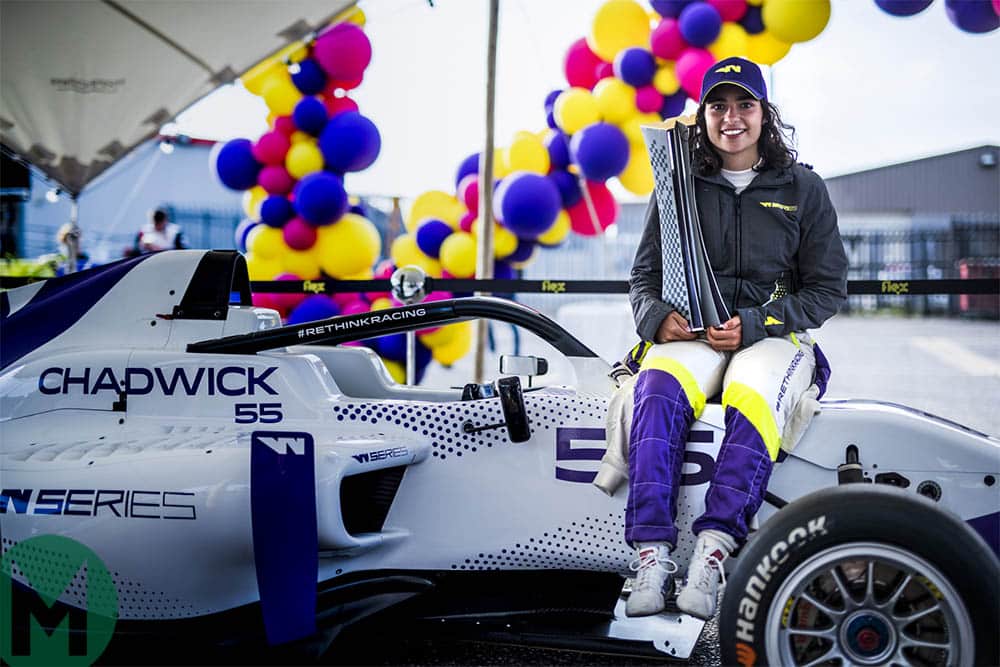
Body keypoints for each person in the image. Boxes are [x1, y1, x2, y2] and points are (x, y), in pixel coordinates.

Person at [622, 57, 848, 618]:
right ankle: (651, 554)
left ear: (763, 114)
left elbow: (827, 291)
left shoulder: (803, 188)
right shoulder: (678, 184)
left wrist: (755, 323)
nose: (731, 118)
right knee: (656, 390)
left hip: (768, 339)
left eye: (744, 105)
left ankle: (714, 551)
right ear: (702, 117)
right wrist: (655, 319)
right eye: (718, 106)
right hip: (693, 335)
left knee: (753, 397)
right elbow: (644, 277)